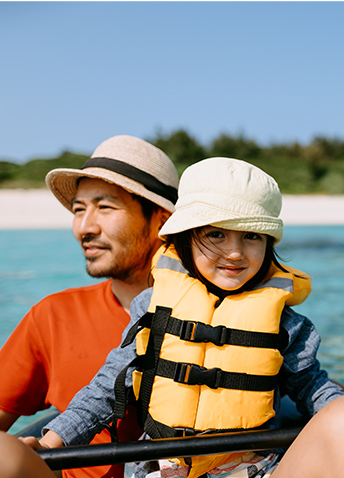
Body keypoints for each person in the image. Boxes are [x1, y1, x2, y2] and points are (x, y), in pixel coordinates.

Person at [1, 156, 344, 478]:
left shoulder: (287, 323)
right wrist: (51, 442)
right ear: (183, 239)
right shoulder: (153, 307)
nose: (236, 252)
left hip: (250, 468)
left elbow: (312, 387)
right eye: (215, 234)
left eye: (251, 236)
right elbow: (107, 388)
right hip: (164, 468)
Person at [0, 134, 179, 478]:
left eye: (105, 207)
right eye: (79, 209)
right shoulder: (53, 316)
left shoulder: (222, 315)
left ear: (161, 219)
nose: (84, 227)